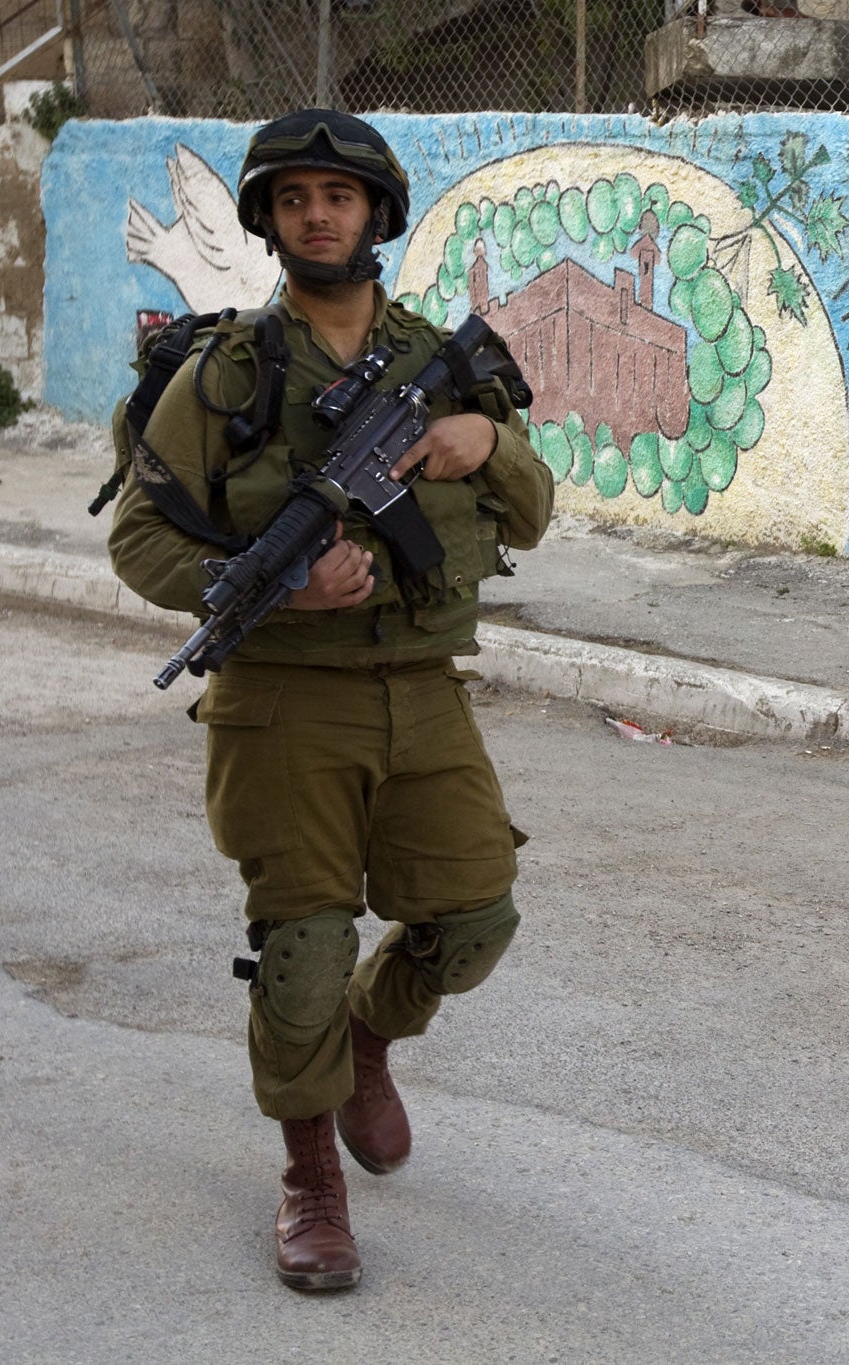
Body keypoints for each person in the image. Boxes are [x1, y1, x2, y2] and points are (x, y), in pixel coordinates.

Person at [108, 109, 554, 1291]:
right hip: (283, 704)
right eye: (294, 197)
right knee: (302, 946)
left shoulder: (431, 356)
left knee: (474, 922)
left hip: (423, 688)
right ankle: (309, 1175)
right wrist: (272, 586)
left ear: (374, 215)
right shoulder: (225, 374)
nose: (317, 214)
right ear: (267, 218)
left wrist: (479, 441)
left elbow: (533, 510)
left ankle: (366, 1043)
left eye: (338, 196)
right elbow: (140, 541)